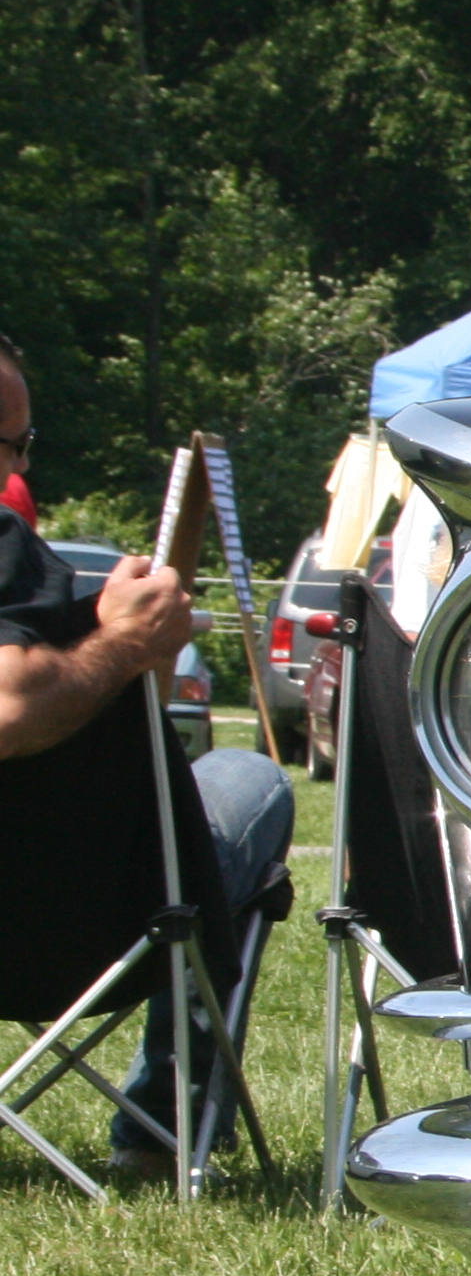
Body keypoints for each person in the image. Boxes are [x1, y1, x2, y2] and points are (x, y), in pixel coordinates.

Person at [0, 334, 293, 1180]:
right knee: (250, 780)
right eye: (16, 445)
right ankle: (165, 1124)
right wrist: (125, 640)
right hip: (70, 929)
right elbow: (10, 708)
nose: (22, 468)